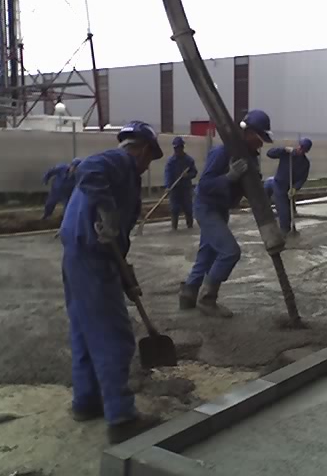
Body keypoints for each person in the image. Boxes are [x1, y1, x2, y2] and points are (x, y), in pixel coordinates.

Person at [59, 121, 164, 444]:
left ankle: (87, 401)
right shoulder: (120, 161)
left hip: (79, 255)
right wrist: (106, 210)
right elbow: (88, 168)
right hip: (93, 259)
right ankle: (121, 417)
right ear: (143, 150)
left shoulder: (119, 171)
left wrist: (125, 275)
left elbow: (117, 237)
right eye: (150, 159)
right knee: (113, 336)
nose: (148, 166)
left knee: (84, 331)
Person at [178, 109, 272, 318]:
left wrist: (260, 190)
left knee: (208, 253)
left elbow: (250, 188)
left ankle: (188, 293)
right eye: (259, 138)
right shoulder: (222, 153)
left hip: (221, 209)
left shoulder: (250, 158)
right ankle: (207, 299)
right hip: (207, 207)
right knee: (230, 252)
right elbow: (204, 185)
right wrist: (229, 177)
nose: (261, 144)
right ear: (247, 132)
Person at [264, 138, 312, 235]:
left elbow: (302, 179)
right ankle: (264, 212)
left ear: (306, 151)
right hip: (276, 181)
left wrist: (295, 188)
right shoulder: (287, 154)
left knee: (284, 213)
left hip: (284, 188)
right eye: (300, 147)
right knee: (264, 189)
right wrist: (283, 149)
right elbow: (269, 153)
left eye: (304, 149)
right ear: (298, 145)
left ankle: (285, 232)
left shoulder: (305, 163)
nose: (300, 150)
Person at [164, 137, 198, 230]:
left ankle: (190, 226)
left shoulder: (189, 160)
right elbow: (167, 174)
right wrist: (167, 186)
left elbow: (194, 172)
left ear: (182, 147)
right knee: (174, 209)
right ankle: (174, 228)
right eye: (175, 148)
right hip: (174, 189)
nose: (177, 150)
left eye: (179, 148)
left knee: (188, 208)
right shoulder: (171, 161)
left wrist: (187, 175)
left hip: (185, 188)